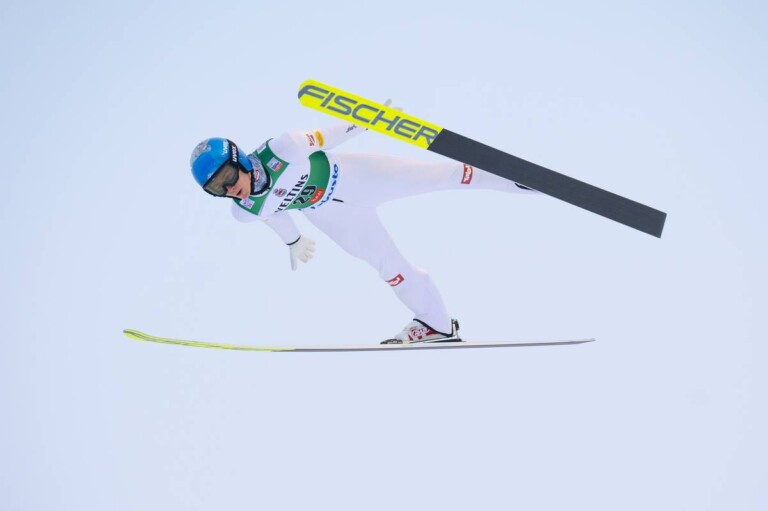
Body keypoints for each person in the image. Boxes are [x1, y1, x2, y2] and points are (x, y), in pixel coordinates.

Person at [190, 116, 539, 344]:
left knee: (438, 176)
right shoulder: (244, 210)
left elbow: (330, 135)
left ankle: (518, 180)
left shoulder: (285, 149)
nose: (230, 189)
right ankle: (437, 324)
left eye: (228, 177)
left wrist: (368, 119)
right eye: (217, 189)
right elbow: (270, 212)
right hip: (331, 216)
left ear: (239, 159)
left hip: (355, 177)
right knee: (389, 267)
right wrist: (292, 240)